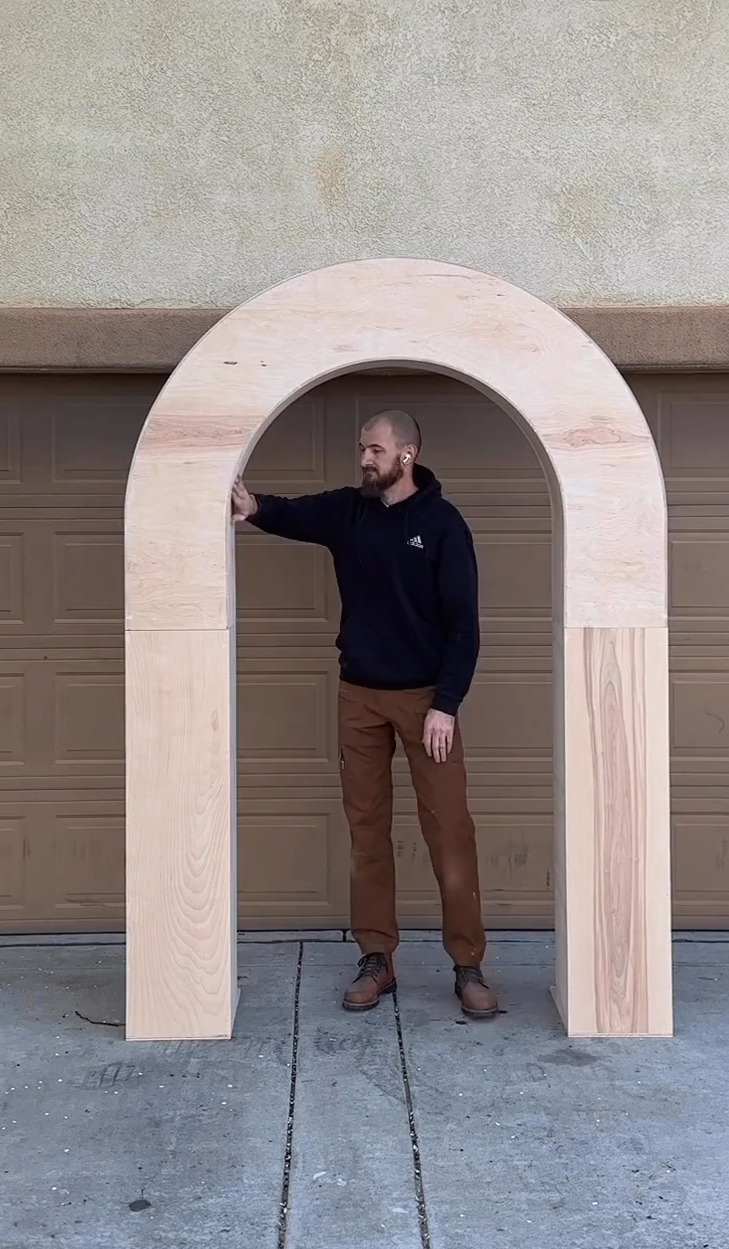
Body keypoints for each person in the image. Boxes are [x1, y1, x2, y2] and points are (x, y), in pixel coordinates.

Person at [231, 409, 499, 1019]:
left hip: (427, 703)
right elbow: (292, 513)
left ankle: (468, 965)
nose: (364, 459)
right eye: (362, 448)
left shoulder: (442, 525)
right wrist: (253, 507)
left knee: (450, 833)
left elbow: (465, 627)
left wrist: (446, 707)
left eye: (374, 449)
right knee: (367, 834)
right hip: (359, 698)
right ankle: (377, 958)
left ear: (406, 454)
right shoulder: (348, 512)